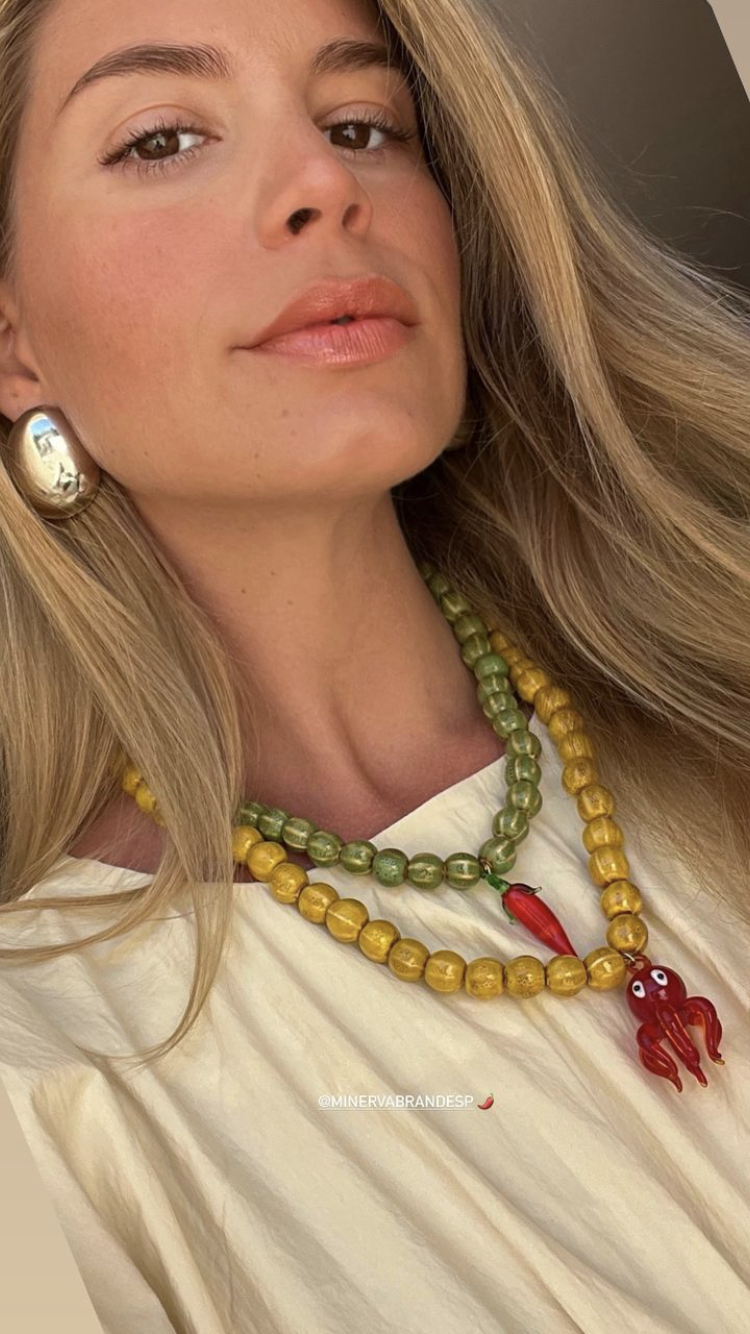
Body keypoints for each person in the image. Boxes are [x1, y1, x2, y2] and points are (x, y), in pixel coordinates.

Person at [0, 0, 748, 1329]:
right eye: (163, 138)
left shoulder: (715, 715)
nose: (322, 184)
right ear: (13, 340)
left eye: (362, 126)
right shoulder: (46, 1083)